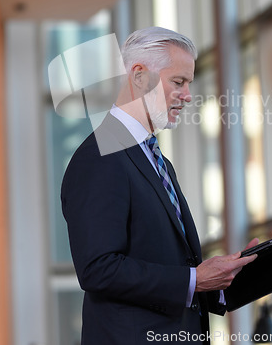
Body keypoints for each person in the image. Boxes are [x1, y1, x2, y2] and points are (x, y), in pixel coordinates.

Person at [61, 27, 258, 344]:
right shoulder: (100, 156)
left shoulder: (157, 161)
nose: (188, 95)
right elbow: (98, 268)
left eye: (188, 83)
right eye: (178, 82)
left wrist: (222, 278)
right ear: (139, 76)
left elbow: (165, 263)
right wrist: (193, 279)